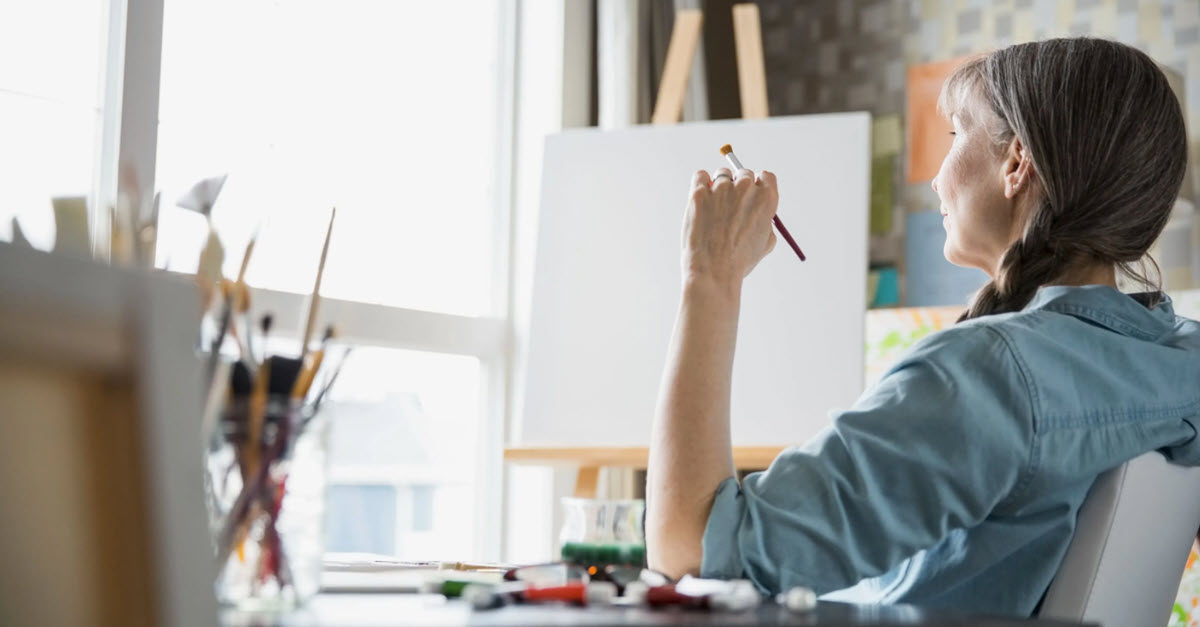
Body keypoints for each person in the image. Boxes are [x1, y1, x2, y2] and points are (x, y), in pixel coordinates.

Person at [645, 37, 1200, 617]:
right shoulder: (1178, 360)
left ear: (1016, 164)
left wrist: (708, 278)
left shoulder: (988, 375)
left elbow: (691, 559)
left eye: (957, 135)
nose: (936, 179)